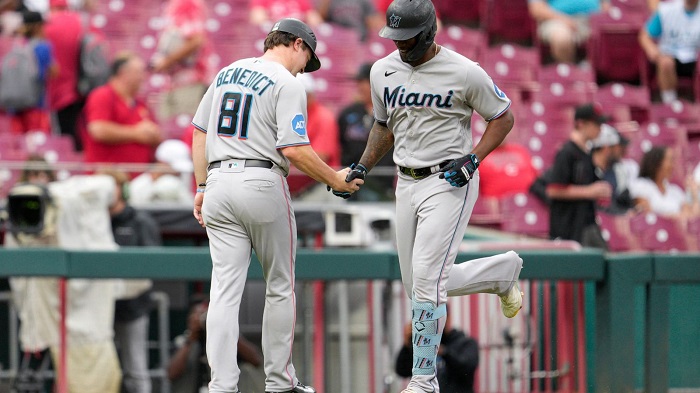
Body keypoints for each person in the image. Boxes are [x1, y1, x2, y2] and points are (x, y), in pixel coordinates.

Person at [347, 1, 523, 392]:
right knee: (419, 285)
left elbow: (503, 116)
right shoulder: (382, 70)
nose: (398, 45)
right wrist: (361, 165)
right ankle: (500, 272)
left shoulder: (464, 71)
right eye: (393, 37)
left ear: (427, 33)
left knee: (427, 281)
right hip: (405, 181)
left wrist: (473, 158)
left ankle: (423, 380)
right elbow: (382, 126)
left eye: (405, 38)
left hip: (449, 180)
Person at [190, 18, 363, 393]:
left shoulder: (226, 72)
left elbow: (200, 133)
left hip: (218, 180)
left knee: (223, 291)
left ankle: (221, 386)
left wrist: (203, 184)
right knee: (280, 285)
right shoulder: (285, 82)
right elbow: (294, 150)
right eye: (307, 60)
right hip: (261, 178)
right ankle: (280, 383)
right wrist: (334, 178)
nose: (304, 70)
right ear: (297, 44)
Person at [100, 169, 162, 393]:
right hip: (98, 307)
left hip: (132, 307)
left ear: (123, 190)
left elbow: (152, 264)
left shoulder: (140, 221)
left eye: (112, 185)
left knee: (135, 370)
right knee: (99, 369)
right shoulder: (93, 221)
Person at [82, 52, 163, 172]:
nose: (143, 77)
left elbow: (157, 134)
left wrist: (153, 134)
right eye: (138, 72)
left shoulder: (141, 104)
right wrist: (135, 133)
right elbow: (98, 130)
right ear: (123, 73)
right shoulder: (102, 95)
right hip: (108, 179)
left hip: (138, 179)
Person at [545, 103, 612, 247]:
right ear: (581, 124)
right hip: (568, 228)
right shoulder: (567, 152)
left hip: (586, 223)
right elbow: (553, 190)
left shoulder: (586, 153)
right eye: (596, 124)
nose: (600, 128)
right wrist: (590, 191)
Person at [168, 299, 265, 393]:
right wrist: (190, 339)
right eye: (200, 316)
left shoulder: (226, 339)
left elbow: (256, 360)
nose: (205, 321)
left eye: (207, 316)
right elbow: (171, 373)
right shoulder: (182, 341)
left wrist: (228, 332)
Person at [337, 62, 395, 201]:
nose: (360, 87)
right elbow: (340, 145)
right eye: (359, 83)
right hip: (350, 178)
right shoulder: (348, 113)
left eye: (365, 82)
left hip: (382, 181)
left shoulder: (391, 113)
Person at [150, 0, 212, 122]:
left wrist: (166, 61)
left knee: (184, 128)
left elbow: (196, 40)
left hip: (190, 82)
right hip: (173, 82)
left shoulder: (186, 3)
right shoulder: (174, 4)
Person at [395, 307, 479, 393]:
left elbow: (466, 367)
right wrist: (408, 345)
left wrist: (444, 353)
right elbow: (402, 370)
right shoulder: (424, 345)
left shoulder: (466, 343)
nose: (433, 323)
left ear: (447, 318)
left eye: (437, 318)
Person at [287, 73, 342, 200]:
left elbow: (321, 157)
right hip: (296, 188)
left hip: (320, 184)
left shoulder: (323, 117)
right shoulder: (291, 114)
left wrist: (286, 161)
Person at [638, 0, 700, 104]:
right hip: (669, 55)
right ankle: (670, 104)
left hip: (694, 57)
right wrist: (652, 49)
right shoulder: (667, 10)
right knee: (666, 63)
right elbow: (644, 36)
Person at [44, 0, 86, 150]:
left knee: (64, 139)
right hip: (83, 87)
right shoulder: (80, 21)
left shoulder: (48, 25)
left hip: (58, 90)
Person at [7, 10, 55, 135]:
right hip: (36, 104)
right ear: (38, 26)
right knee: (37, 145)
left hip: (14, 105)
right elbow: (53, 72)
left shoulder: (15, 46)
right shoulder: (43, 46)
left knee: (18, 146)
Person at [528, 0, 610, 64]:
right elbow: (537, 9)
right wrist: (564, 19)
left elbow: (606, 6)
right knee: (561, 38)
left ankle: (591, 74)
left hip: (592, 19)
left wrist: (601, 20)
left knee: (610, 36)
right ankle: (570, 76)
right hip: (557, 20)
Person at [629, 145, 700, 217]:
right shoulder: (640, 186)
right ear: (657, 164)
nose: (674, 164)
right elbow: (640, 212)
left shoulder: (675, 191)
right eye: (670, 160)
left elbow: (691, 214)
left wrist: (694, 191)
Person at [129, 139, 195, 206]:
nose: (178, 173)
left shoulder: (177, 183)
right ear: (161, 162)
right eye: (174, 168)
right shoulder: (138, 185)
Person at [590, 124, 636, 214]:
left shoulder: (615, 173)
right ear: (606, 149)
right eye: (617, 147)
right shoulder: (581, 170)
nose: (621, 152)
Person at [316, 0, 384, 41]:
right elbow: (320, 19)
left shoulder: (364, 1)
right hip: (336, 42)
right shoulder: (329, 1)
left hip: (358, 40)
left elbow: (374, 23)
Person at [248, 0, 323, 28]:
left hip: (297, 33)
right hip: (274, 34)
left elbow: (315, 20)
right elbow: (258, 18)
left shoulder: (302, 1)